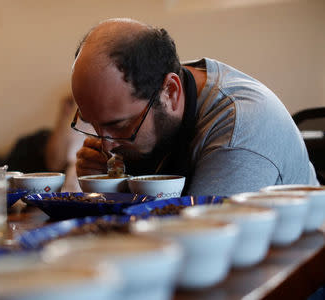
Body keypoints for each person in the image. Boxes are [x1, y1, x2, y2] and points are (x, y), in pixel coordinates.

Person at [71, 18, 319, 196]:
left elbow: (193, 243)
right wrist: (108, 183)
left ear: (170, 92)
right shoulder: (158, 86)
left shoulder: (239, 129)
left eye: (119, 125)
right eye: (91, 123)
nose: (105, 145)